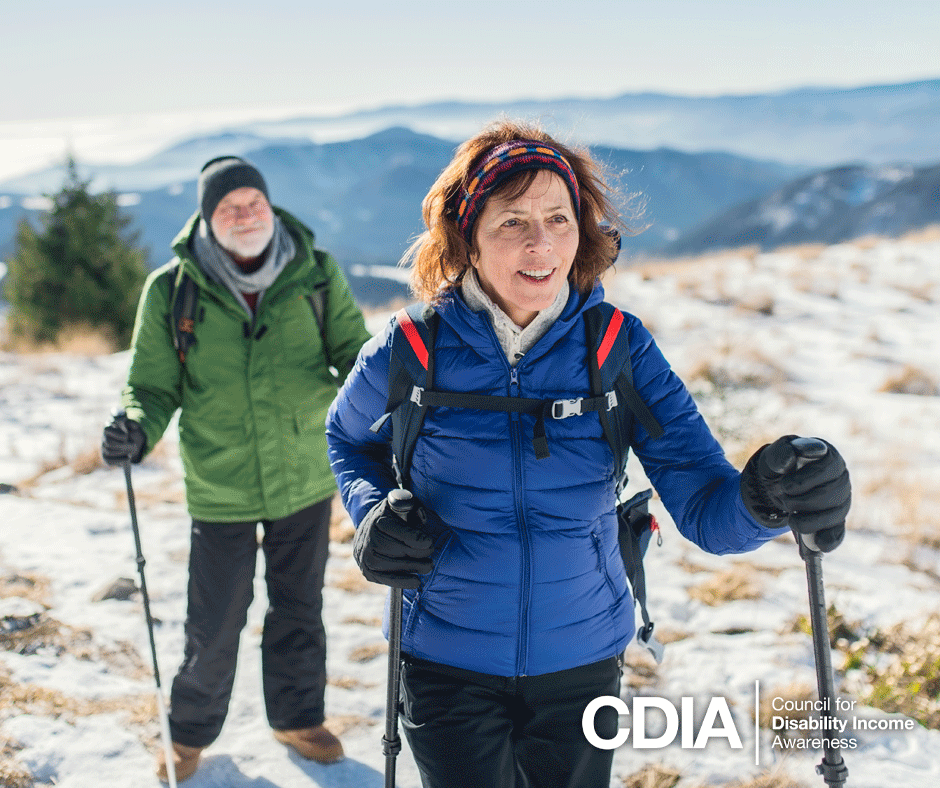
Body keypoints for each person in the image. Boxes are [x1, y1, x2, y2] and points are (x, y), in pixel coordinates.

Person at [324, 122, 851, 788]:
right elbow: (346, 438)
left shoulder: (618, 350)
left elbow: (706, 506)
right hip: (444, 659)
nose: (541, 243)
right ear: (467, 235)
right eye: (512, 221)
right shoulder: (410, 347)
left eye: (558, 218)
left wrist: (767, 499)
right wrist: (371, 514)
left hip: (581, 660)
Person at [102, 156, 372, 783]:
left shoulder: (316, 274)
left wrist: (390, 385)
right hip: (220, 482)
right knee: (214, 621)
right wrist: (136, 427)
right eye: (229, 206)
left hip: (303, 472)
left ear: (270, 206)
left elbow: (352, 355)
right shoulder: (173, 291)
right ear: (207, 216)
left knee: (300, 607)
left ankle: (297, 718)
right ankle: (189, 733)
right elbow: (150, 384)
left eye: (253, 202)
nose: (245, 215)